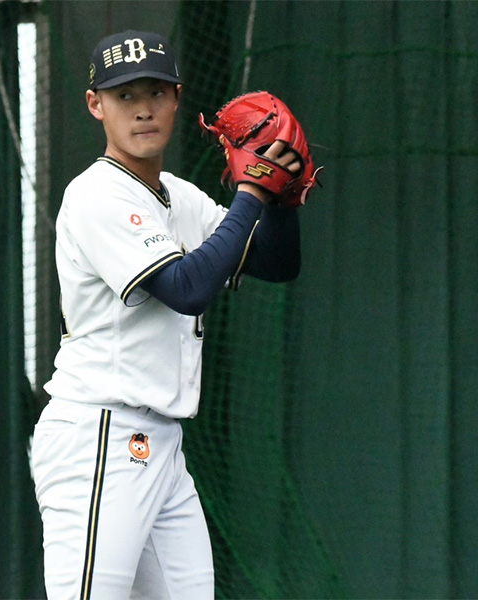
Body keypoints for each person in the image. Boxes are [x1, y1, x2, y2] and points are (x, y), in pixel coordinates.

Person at [29, 31, 303, 599]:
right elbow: (187, 287)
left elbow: (277, 263)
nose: (144, 108)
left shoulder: (179, 194)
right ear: (95, 105)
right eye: (125, 95)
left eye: (155, 91)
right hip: (98, 435)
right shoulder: (95, 194)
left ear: (178, 98)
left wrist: (281, 197)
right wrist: (252, 194)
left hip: (162, 446)